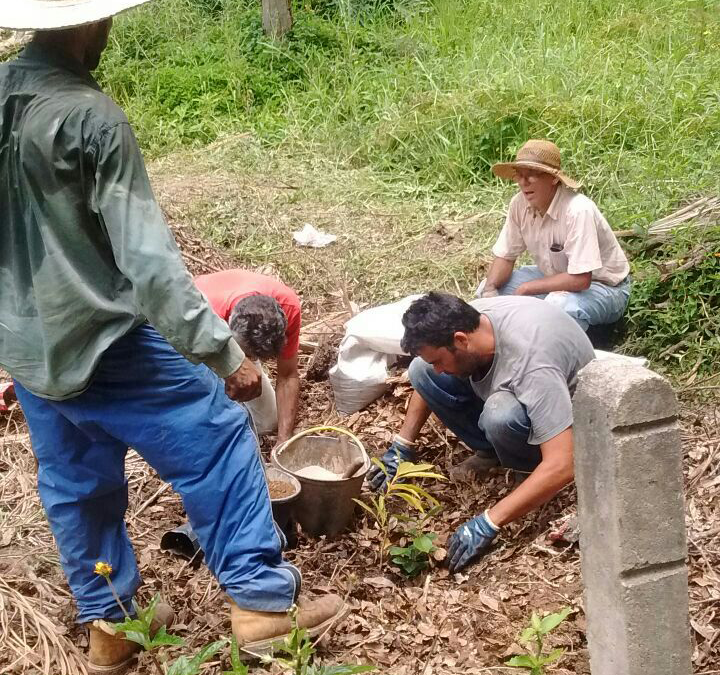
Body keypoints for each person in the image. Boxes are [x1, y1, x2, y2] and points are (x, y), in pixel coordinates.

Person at [0, 2, 345, 672]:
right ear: (92, 25)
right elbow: (151, 265)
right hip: (103, 339)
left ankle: (112, 625)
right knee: (217, 432)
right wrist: (225, 355)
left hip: (27, 346)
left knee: (76, 483)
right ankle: (264, 606)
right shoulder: (90, 117)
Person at [367, 292, 594, 573]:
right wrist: (402, 444)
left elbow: (563, 464)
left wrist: (490, 520)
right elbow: (431, 370)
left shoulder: (531, 365)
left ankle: (527, 468)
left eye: (439, 359)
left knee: (501, 414)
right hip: (519, 389)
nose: (438, 369)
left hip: (561, 420)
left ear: (461, 340)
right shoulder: (473, 321)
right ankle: (492, 451)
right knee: (420, 372)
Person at [477, 139, 631, 332]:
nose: (523, 183)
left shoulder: (577, 210)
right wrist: (491, 290)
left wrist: (527, 288)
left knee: (559, 306)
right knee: (486, 293)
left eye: (532, 175)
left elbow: (581, 280)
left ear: (554, 178)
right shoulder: (519, 204)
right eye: (520, 176)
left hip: (603, 287)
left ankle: (567, 351)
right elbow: (506, 256)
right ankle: (504, 343)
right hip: (552, 277)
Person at [195, 269, 301, 445]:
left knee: (267, 423)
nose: (250, 360)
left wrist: (284, 440)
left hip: (236, 327)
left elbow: (288, 375)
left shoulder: (289, 307)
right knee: (213, 422)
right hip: (199, 339)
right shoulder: (203, 314)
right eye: (247, 355)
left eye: (254, 357)